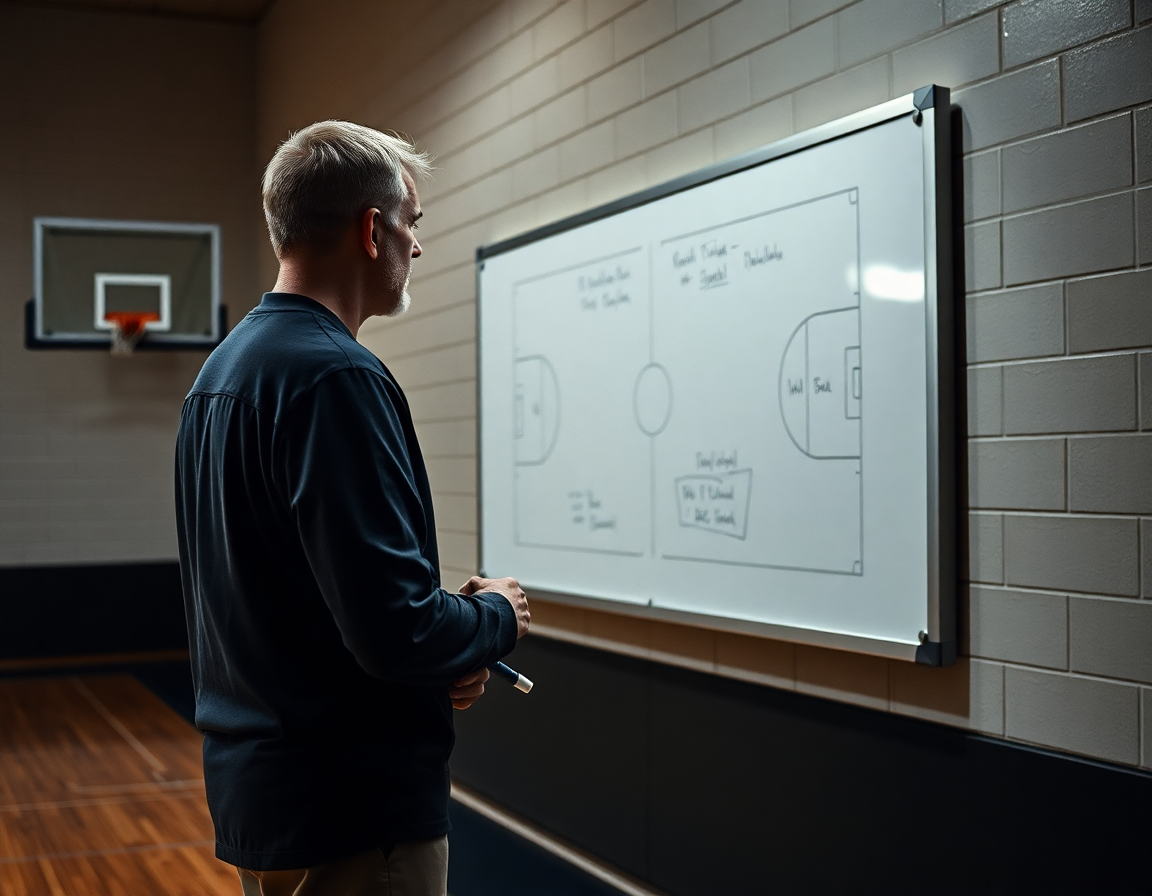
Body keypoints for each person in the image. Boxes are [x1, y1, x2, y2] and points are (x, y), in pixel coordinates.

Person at [175, 120, 529, 896]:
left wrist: (446, 655)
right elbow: (395, 629)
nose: (418, 246)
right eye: (414, 223)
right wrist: (495, 617)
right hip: (355, 814)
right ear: (373, 229)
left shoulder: (221, 376)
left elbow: (299, 604)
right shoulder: (337, 377)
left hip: (268, 801)